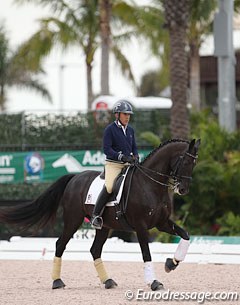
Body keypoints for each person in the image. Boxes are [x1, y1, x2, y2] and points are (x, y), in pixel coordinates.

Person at [90, 100, 139, 229]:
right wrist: (120, 156)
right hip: (114, 164)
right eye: (125, 114)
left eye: (129, 114)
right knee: (110, 186)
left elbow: (134, 147)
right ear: (117, 115)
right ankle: (96, 215)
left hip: (128, 164)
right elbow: (107, 149)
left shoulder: (130, 130)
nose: (127, 117)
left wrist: (136, 156)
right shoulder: (110, 129)